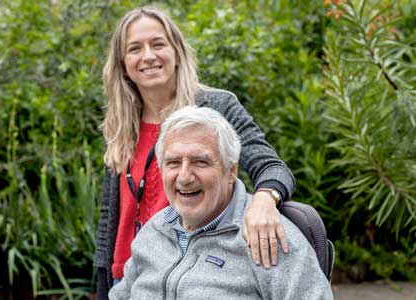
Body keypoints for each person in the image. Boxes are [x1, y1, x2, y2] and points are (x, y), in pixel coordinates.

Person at [96, 6, 296, 299]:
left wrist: (266, 199)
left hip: (191, 277)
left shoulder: (216, 107)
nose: (148, 56)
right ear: (123, 64)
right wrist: (104, 279)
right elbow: (109, 215)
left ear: (176, 51)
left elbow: (273, 169)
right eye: (135, 48)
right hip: (127, 277)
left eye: (158, 44)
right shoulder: (122, 124)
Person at [109, 106, 333, 300]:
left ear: (231, 171)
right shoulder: (153, 232)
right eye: (173, 162)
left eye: (201, 161)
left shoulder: (267, 237)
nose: (184, 176)